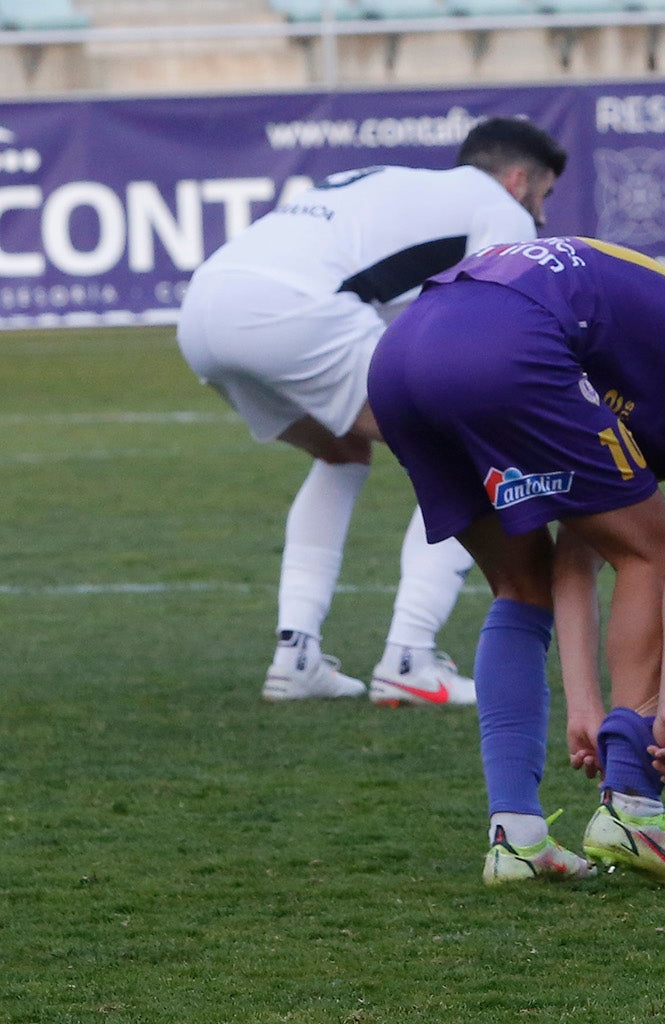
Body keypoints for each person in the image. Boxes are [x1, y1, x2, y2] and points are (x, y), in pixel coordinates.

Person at [367, 236, 665, 888]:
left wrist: (585, 702)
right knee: (654, 549)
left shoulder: (653, 411)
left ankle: (514, 835)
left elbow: (576, 559)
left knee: (522, 585)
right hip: (502, 334)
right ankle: (632, 802)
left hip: (402, 354)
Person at [176, 118, 568, 707]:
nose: (542, 214)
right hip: (292, 309)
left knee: (342, 451)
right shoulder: (501, 208)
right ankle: (409, 656)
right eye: (545, 194)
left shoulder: (396, 183)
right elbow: (494, 327)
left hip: (203, 310)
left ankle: (296, 654)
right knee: (474, 451)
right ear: (517, 180)